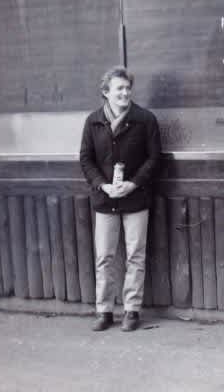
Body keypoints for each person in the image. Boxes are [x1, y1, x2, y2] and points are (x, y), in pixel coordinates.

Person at [80, 66, 161, 332]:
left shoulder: (145, 119)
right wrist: (103, 186)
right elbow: (86, 160)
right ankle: (104, 311)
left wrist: (133, 184)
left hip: (136, 198)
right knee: (104, 257)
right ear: (106, 92)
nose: (125, 93)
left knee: (135, 256)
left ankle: (131, 310)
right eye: (119, 88)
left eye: (128, 88)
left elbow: (154, 158)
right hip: (105, 200)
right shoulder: (93, 121)